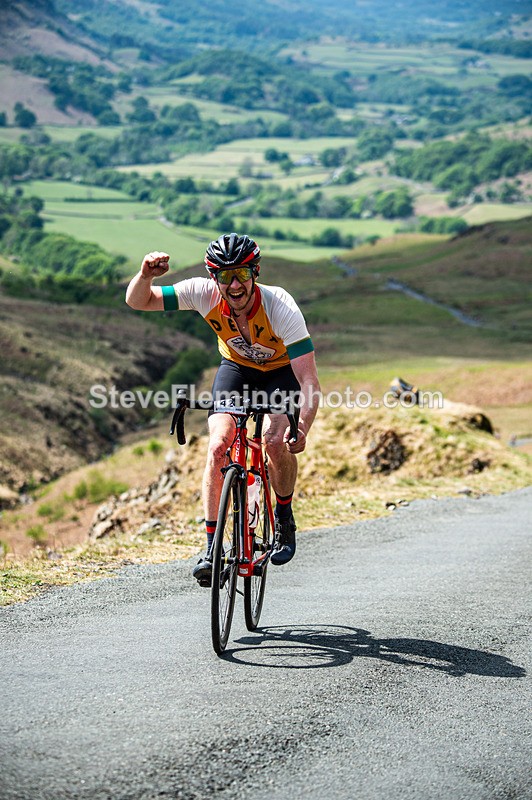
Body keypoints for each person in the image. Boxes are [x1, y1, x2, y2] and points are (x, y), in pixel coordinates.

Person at [126, 233, 320, 586]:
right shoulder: (203, 293)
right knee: (218, 446)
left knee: (274, 440)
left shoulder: (280, 306)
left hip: (281, 374)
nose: (234, 284)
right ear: (212, 277)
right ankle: (212, 547)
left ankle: (285, 515)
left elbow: (309, 383)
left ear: (255, 273)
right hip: (236, 371)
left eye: (242, 275)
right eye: (224, 275)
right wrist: (146, 276)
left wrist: (302, 425)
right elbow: (141, 302)